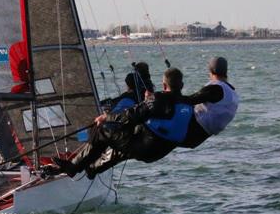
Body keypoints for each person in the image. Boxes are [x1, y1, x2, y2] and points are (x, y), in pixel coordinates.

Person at [51, 68, 192, 179]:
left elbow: (130, 115)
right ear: (182, 85)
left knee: (103, 131)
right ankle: (93, 169)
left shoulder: (158, 99)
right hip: (159, 151)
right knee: (123, 142)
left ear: (164, 84)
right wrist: (148, 102)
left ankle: (72, 167)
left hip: (144, 147)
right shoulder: (188, 104)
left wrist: (106, 118)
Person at [180, 56, 239, 148]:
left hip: (191, 130)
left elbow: (189, 100)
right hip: (199, 138)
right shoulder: (232, 92)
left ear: (211, 71)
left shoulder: (216, 88)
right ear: (225, 71)